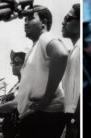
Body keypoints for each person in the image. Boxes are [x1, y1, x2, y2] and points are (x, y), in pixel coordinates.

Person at [16, 5, 68, 138]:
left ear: (43, 22)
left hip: (43, 116)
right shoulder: (35, 46)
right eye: (24, 19)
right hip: (33, 117)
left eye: (30, 18)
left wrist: (47, 97)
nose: (25, 22)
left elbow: (61, 54)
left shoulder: (45, 37)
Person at [0, 50, 26, 138]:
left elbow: (14, 105)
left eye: (17, 62)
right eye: (12, 63)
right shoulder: (16, 85)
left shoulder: (27, 83)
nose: (13, 65)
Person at [61, 3, 80, 138]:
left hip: (75, 117)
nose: (63, 22)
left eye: (68, 18)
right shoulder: (75, 50)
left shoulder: (79, 50)